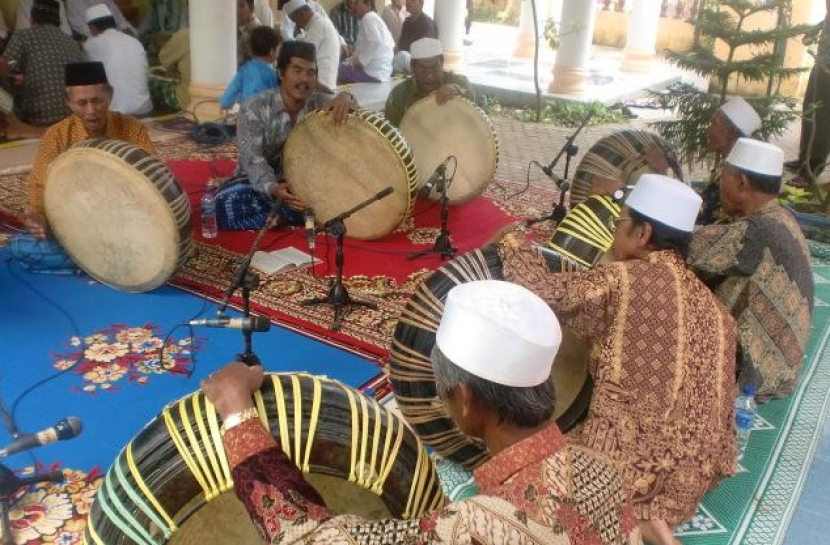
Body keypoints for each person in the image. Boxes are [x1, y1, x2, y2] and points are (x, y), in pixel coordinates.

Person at [202, 280, 642, 544]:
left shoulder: (475, 525)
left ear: (467, 400)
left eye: (444, 392)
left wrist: (237, 413)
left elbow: (314, 538)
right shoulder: (605, 469)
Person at [496, 174, 738, 544]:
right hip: (694, 485)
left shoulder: (624, 279)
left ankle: (633, 516)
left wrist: (511, 242)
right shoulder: (717, 309)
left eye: (618, 223)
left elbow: (542, 292)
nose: (613, 232)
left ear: (642, 234)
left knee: (513, 461)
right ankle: (650, 518)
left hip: (629, 474)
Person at [689, 138, 814, 401]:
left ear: (742, 183)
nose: (719, 184)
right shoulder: (782, 217)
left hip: (754, 375)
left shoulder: (756, 232)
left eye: (723, 178)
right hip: (783, 368)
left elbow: (681, 246)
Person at [12, 61, 155, 272]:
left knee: (165, 238)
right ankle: (110, 262)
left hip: (125, 221)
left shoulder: (133, 129)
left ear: (110, 95)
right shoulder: (56, 135)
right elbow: (39, 185)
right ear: (68, 103)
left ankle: (93, 262)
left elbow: (152, 177)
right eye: (82, 103)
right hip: (78, 224)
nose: (91, 110)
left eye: (97, 101)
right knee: (21, 246)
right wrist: (37, 214)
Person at [218, 41, 356, 230]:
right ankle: (294, 216)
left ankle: (281, 218)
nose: (304, 79)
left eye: (311, 72)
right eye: (297, 71)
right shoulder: (254, 108)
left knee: (348, 192)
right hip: (260, 185)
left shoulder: (320, 104)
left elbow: (357, 119)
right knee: (225, 203)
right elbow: (252, 159)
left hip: (303, 183)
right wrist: (274, 188)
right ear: (281, 73)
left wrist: (347, 97)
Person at [0, 0, 84, 140]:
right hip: (73, 116)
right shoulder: (73, 42)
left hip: (39, 118)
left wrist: (15, 79)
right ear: (58, 21)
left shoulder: (22, 36)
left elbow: (4, 67)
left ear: (32, 19)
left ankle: (18, 128)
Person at [696, 97, 762, 225]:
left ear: (730, 134)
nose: (708, 130)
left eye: (714, 124)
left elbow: (702, 213)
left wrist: (665, 171)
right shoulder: (728, 164)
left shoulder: (734, 175)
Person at [785, 0, 830, 187]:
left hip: (828, 69)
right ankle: (804, 159)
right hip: (820, 64)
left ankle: (812, 169)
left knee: (822, 119)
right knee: (809, 110)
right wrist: (813, 32)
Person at [384, 37, 474, 127]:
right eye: (423, 70)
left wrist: (456, 89)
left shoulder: (459, 81)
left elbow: (473, 103)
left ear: (442, 62)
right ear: (413, 67)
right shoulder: (399, 94)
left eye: (435, 68)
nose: (429, 76)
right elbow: (389, 132)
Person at [84, 4, 152, 116]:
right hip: (144, 108)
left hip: (116, 113)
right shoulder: (133, 41)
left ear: (93, 27)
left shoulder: (92, 44)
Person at [219, 26, 280, 111]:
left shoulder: (244, 69)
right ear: (271, 51)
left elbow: (227, 98)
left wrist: (228, 106)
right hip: (264, 118)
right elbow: (277, 103)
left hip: (245, 116)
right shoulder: (271, 75)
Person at [285, 0, 340, 92]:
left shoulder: (318, 25)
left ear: (301, 13)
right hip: (318, 78)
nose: (297, 25)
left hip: (322, 83)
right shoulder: (317, 24)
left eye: (295, 21)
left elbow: (305, 56)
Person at [337, 0, 394, 84]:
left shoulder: (368, 18)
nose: (353, 7)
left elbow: (375, 42)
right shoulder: (375, 18)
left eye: (356, 3)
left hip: (372, 73)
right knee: (342, 66)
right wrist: (349, 62)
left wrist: (361, 63)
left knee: (336, 70)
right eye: (352, 4)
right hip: (382, 73)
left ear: (367, 3)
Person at [393, 0, 438, 73]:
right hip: (407, 60)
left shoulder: (427, 23)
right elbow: (401, 44)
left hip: (421, 62)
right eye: (407, 0)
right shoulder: (407, 22)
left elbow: (428, 51)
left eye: (412, 1)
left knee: (402, 56)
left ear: (421, 4)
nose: (408, 3)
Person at [156, 27, 191, 110]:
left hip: (188, 101)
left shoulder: (185, 35)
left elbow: (163, 58)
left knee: (150, 81)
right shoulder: (226, 37)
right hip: (221, 104)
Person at [65, 0, 135, 38]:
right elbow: (86, 33)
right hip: (96, 45)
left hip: (120, 39)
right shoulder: (72, 2)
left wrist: (129, 35)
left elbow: (122, 23)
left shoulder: (108, 1)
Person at [237, 0, 264, 67]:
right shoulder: (233, 27)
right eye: (235, 6)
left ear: (251, 9)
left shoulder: (258, 32)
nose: (237, 9)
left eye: (241, 6)